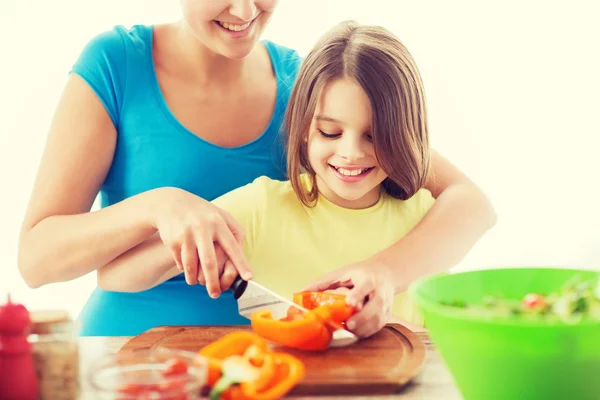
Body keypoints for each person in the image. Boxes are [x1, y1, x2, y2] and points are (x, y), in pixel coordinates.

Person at [17, 0, 496, 337]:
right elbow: (37, 261)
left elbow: (467, 202)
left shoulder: (311, 87)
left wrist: (385, 274)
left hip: (264, 361)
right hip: (129, 351)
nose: (245, 12)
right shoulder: (117, 64)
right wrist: (159, 206)